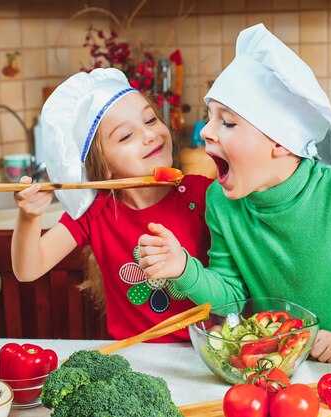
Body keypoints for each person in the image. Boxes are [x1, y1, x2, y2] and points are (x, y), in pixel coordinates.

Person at [138, 24, 331, 361]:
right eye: (210, 117)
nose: (207, 132)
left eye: (227, 122)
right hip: (275, 359)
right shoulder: (221, 202)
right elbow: (233, 299)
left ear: (280, 142)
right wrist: (184, 268)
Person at [11, 68, 212, 342]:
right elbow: (28, 269)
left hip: (205, 355)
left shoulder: (203, 194)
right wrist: (29, 216)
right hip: (135, 360)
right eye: (126, 136)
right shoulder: (96, 212)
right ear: (103, 166)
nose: (149, 134)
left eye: (151, 120)